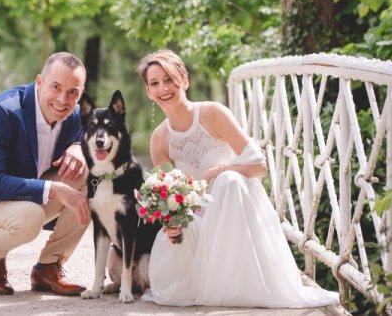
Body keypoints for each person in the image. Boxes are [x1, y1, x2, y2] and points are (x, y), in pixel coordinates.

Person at [137, 49, 339, 308]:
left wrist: (219, 171)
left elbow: (259, 165)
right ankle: (202, 279)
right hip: (199, 219)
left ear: (184, 80)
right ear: (148, 92)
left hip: (238, 209)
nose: (163, 88)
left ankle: (240, 285)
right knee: (178, 233)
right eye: (155, 83)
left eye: (169, 79)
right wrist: (171, 220)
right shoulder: (159, 139)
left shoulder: (212, 113)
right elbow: (167, 197)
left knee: (228, 182)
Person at [0, 52, 91, 296]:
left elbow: (85, 134)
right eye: (55, 87)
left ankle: (49, 268)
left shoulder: (73, 115)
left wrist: (79, 147)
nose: (63, 99)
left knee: (87, 176)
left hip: (20, 192)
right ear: (39, 82)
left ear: (80, 93)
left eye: (73, 92)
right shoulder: (2, 112)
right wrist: (55, 189)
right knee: (30, 217)